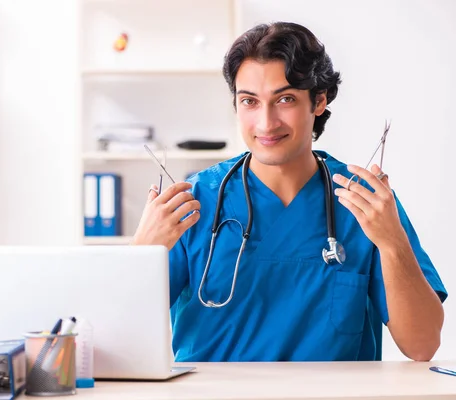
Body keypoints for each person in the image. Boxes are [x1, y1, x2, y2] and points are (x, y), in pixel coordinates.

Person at [130, 21, 448, 362]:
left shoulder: (364, 204)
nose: (266, 123)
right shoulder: (192, 204)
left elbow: (423, 344)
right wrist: (140, 255)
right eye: (250, 101)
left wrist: (392, 243)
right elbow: (121, 339)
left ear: (319, 101)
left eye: (285, 99)